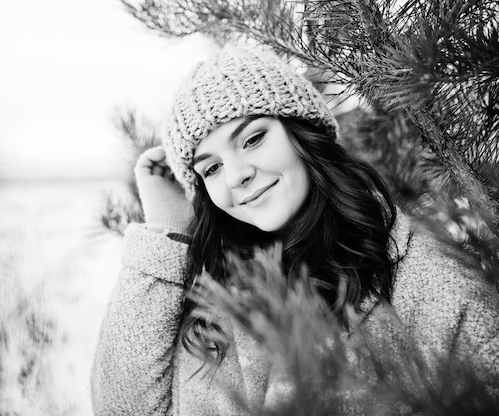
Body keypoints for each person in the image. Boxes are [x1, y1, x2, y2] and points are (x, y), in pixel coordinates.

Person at [91, 45, 499, 415]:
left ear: (304, 135)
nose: (235, 176)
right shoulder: (216, 303)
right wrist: (166, 229)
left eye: (252, 139)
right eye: (211, 168)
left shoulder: (416, 269)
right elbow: (121, 409)